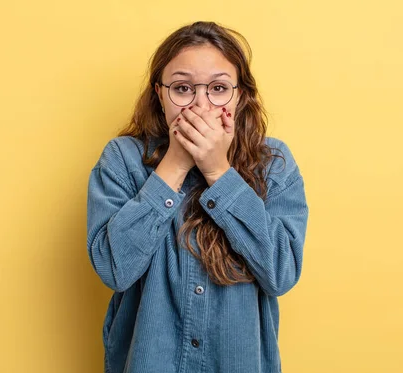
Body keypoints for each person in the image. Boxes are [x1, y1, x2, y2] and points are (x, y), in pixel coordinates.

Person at [86, 20, 309, 373]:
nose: (200, 105)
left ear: (240, 95)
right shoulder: (123, 159)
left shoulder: (273, 164)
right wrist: (175, 163)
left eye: (219, 88)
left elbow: (281, 272)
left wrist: (218, 171)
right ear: (159, 94)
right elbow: (115, 268)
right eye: (183, 88)